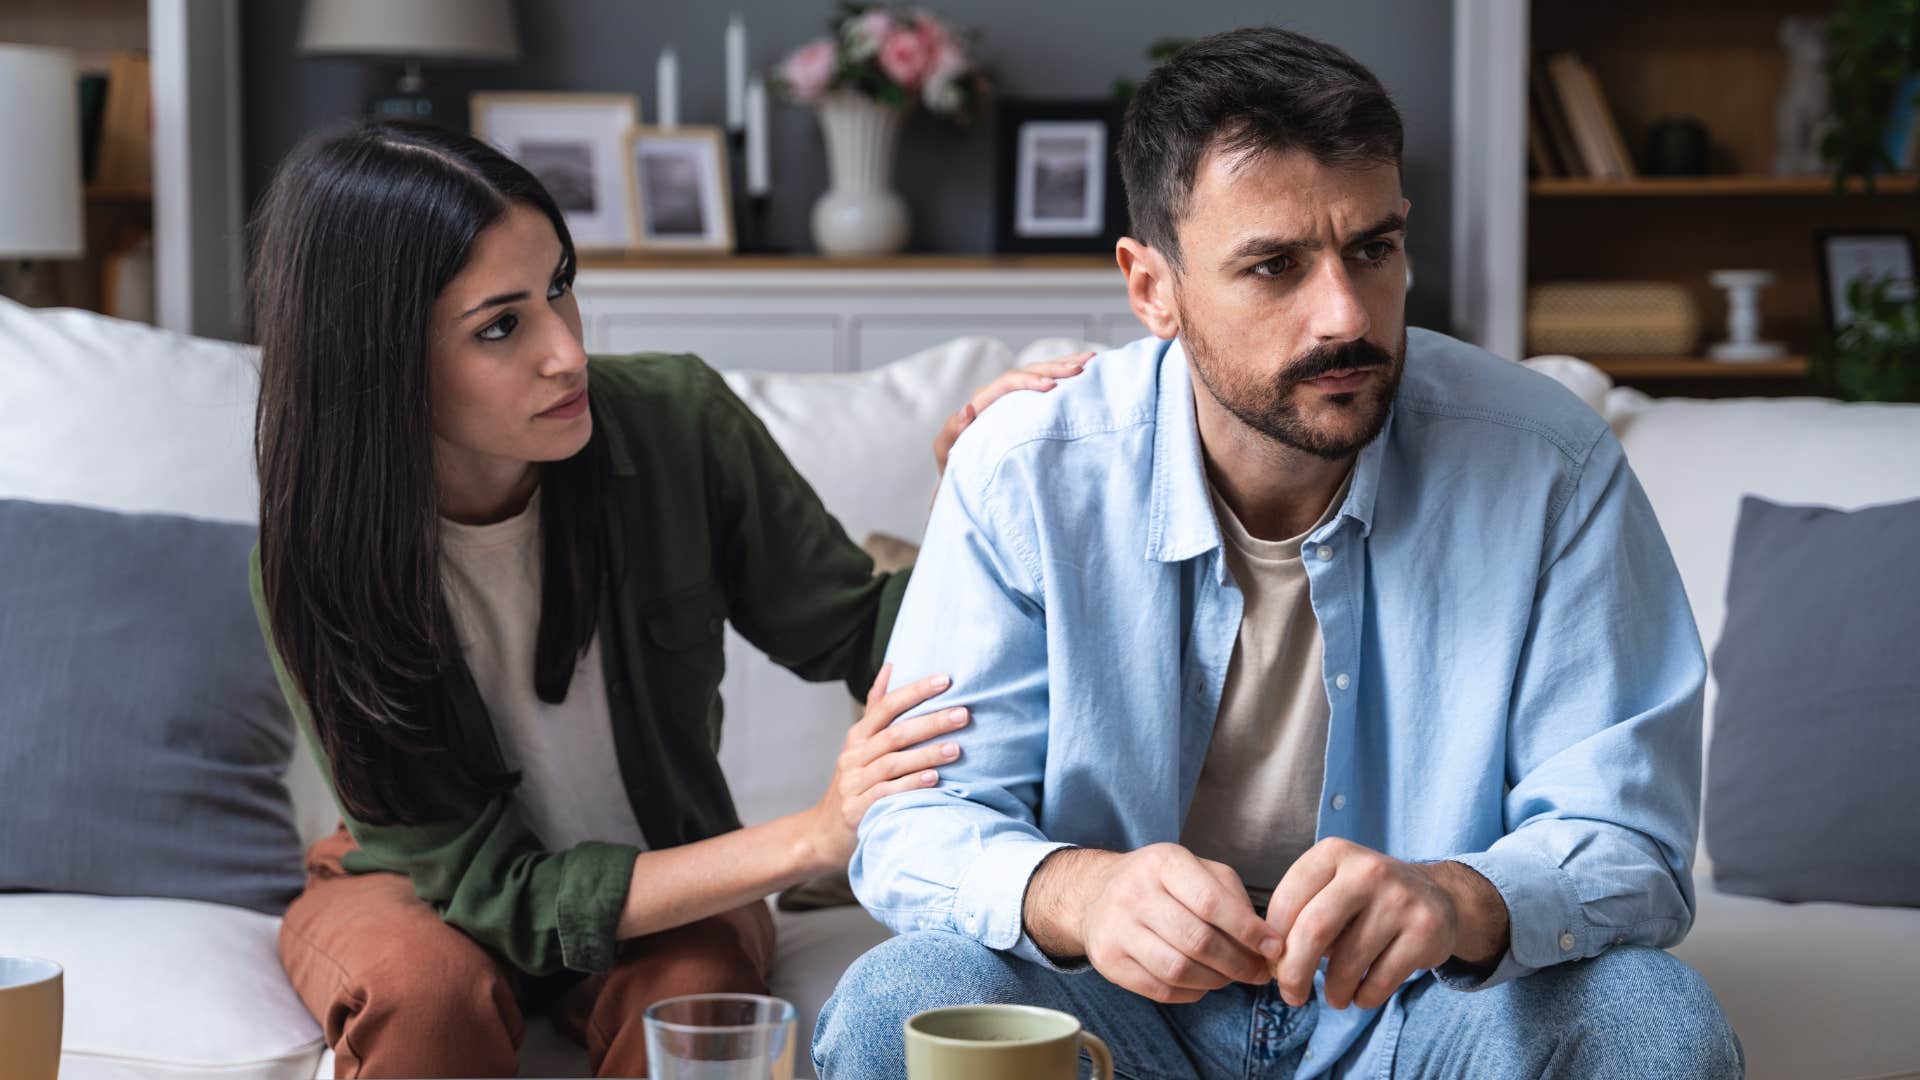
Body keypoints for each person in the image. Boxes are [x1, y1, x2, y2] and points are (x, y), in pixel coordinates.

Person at [817, 27, 1743, 1079]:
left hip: (1425, 1008)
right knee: (903, 1000)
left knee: (1649, 1018)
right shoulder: (1026, 472)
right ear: (1151, 286)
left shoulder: (1552, 467)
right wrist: (1082, 892)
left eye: (1373, 250)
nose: (1346, 315)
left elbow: (1634, 845)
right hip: (1114, 1012)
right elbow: (916, 823)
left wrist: (1457, 899)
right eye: (1273, 266)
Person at [246, 120, 1084, 1079]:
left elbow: (860, 632)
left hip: (669, 872)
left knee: (694, 996)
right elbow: (500, 896)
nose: (567, 352)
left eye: (559, 286)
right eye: (500, 326)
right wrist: (813, 834)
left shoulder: (677, 424)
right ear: (379, 362)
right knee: (425, 995)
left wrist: (975, 497)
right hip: (422, 887)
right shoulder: (319, 565)